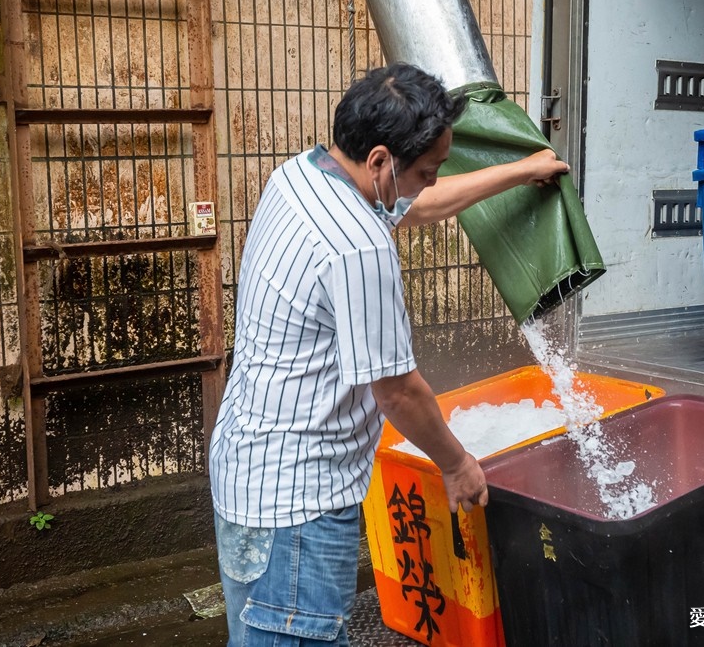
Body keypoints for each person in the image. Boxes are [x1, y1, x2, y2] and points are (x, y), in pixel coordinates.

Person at [208, 62, 569, 646]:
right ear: (379, 160)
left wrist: (522, 171)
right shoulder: (358, 246)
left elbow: (419, 204)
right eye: (425, 169)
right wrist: (457, 464)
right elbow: (397, 389)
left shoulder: (301, 176)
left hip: (246, 473)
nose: (429, 182)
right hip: (299, 503)